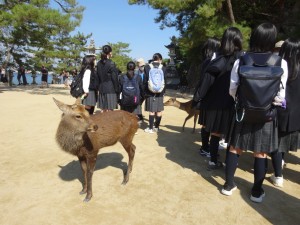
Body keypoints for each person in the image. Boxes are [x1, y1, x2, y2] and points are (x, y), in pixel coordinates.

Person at [222, 23, 288, 203]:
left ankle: (228, 186)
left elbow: (232, 89)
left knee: (235, 148)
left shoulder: (241, 60)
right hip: (266, 115)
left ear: (254, 38)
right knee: (261, 153)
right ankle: (256, 192)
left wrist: (243, 102)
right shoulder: (280, 62)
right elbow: (280, 96)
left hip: (242, 112)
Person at [194, 28, 243, 170]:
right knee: (231, 134)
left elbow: (207, 80)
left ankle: (213, 160)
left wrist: (198, 98)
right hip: (233, 102)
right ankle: (230, 162)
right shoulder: (242, 57)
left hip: (215, 102)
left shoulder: (218, 58)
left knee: (215, 132)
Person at [270, 38, 300, 187]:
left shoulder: (281, 66)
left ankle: (278, 176)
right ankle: (280, 162)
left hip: (280, 110)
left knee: (276, 144)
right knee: (284, 143)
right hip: (296, 114)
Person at [193, 37, 221, 157]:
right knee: (212, 125)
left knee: (206, 123)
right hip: (214, 96)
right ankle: (206, 147)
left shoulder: (207, 61)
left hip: (206, 96)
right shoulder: (216, 61)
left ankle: (205, 147)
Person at [143, 53, 166, 134]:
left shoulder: (147, 67)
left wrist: (145, 92)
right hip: (160, 92)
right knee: (159, 111)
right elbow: (165, 81)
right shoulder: (163, 67)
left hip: (150, 92)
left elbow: (145, 81)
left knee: (152, 111)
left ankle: (150, 128)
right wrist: (163, 92)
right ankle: (157, 127)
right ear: (160, 59)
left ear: (153, 58)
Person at [95, 45, 119, 112]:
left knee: (103, 109)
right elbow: (114, 78)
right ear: (109, 53)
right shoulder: (111, 63)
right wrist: (117, 89)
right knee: (110, 110)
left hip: (102, 88)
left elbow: (97, 77)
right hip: (110, 88)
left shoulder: (98, 63)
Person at [136, 58, 146, 122]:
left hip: (145, 90)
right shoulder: (136, 72)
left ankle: (140, 116)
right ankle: (140, 116)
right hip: (139, 91)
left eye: (143, 66)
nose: (142, 67)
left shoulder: (147, 71)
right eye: (141, 66)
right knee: (138, 104)